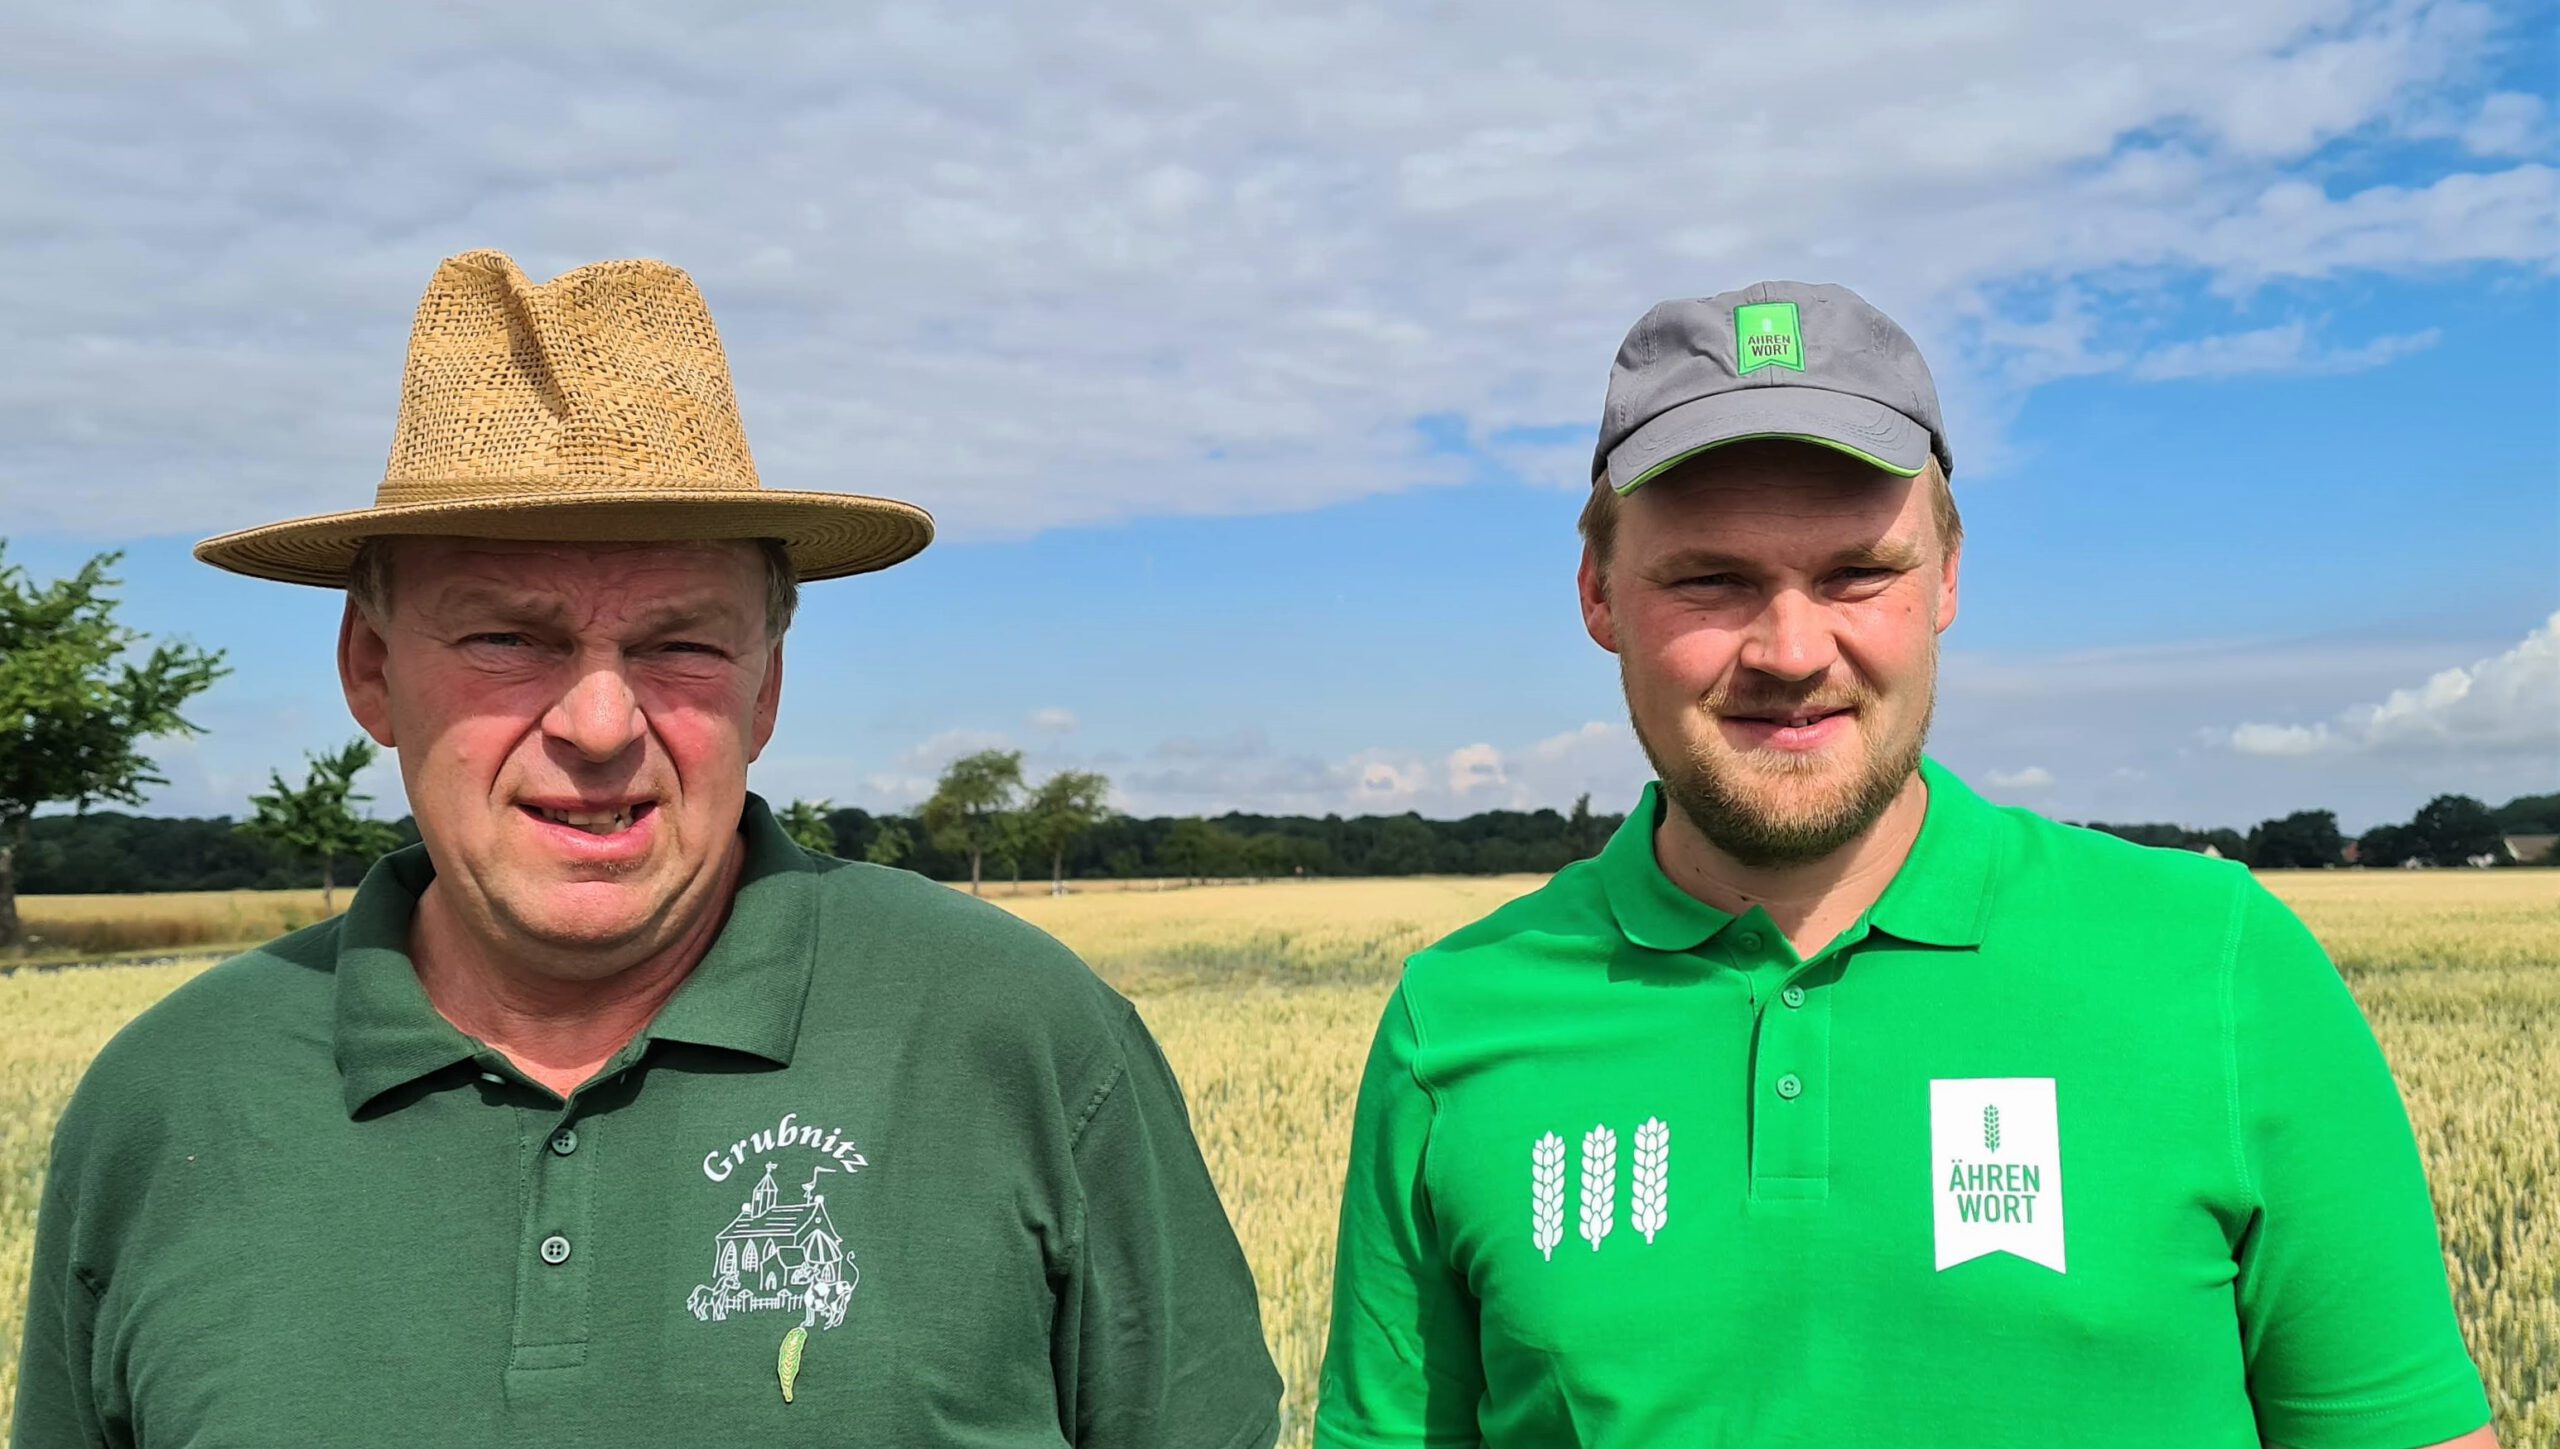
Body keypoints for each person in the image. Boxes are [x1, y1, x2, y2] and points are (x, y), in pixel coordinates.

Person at [11, 249, 1281, 1448]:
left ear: (765, 690)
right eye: (508, 638)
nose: (601, 725)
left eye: (682, 644)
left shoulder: (1021, 1040)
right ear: (370, 670)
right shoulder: (169, 1096)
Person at [1311, 282, 2496, 1448]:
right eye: (1709, 580)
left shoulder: (2222, 964)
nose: (1788, 650)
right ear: (1598, 596)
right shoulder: (1453, 1020)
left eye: (1855, 574)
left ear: (1946, 580)